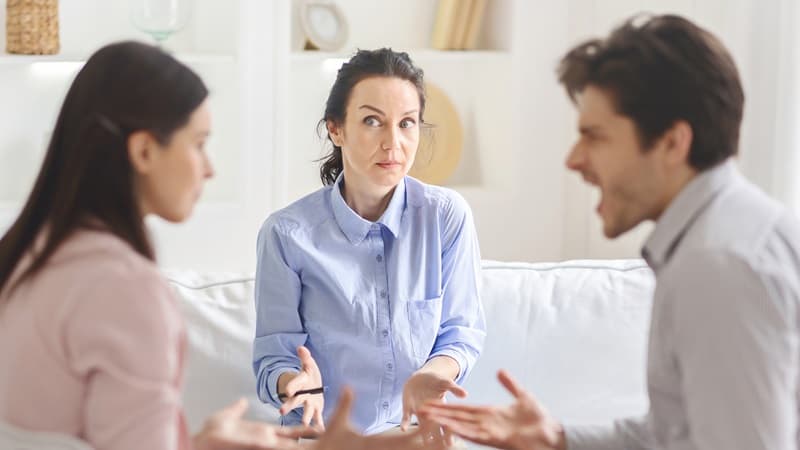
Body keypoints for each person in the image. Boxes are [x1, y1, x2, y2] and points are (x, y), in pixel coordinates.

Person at [420, 14, 800, 450]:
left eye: (595, 137)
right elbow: (672, 434)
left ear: (673, 143)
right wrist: (557, 439)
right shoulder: (739, 230)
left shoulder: (716, 266)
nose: (574, 160)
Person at [0, 41, 307, 450]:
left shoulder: (24, 253)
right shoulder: (125, 290)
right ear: (144, 150)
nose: (209, 168)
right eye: (198, 144)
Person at [252, 48, 486, 440]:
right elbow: (272, 356)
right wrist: (294, 380)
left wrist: (433, 373)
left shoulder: (446, 217)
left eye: (407, 123)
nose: (393, 143)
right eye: (373, 121)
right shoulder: (286, 234)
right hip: (324, 438)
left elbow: (461, 332)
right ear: (336, 129)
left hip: (414, 436)